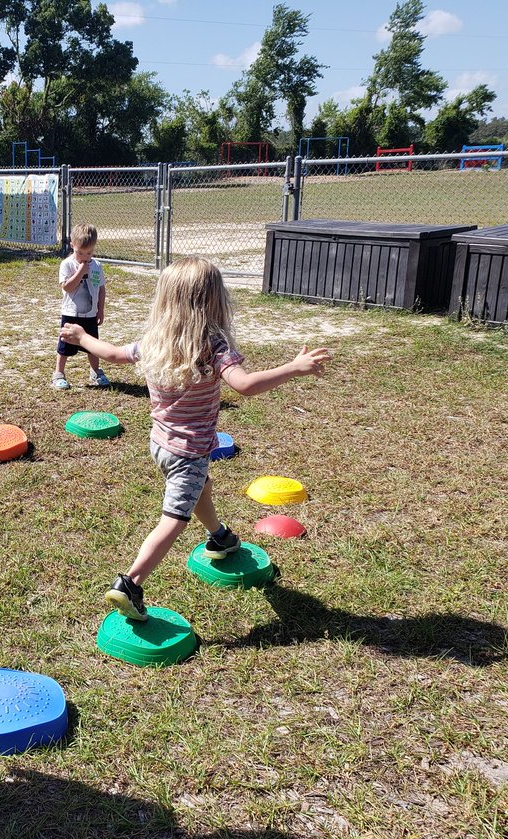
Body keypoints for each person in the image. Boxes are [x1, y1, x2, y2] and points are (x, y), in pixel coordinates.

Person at [60, 256, 331, 621]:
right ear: (214, 300)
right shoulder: (213, 347)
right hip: (188, 453)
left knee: (202, 488)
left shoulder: (154, 341)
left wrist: (82, 337)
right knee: (175, 517)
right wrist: (293, 368)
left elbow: (111, 353)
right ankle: (131, 582)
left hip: (160, 444)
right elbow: (246, 386)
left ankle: (220, 536)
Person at [53, 223, 110, 390]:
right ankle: (59, 373)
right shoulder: (67, 264)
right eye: (80, 253)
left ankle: (95, 372)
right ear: (72, 246)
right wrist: (80, 272)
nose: (85, 257)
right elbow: (67, 287)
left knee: (93, 347)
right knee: (65, 346)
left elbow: (101, 289)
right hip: (71, 313)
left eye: (89, 253)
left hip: (90, 314)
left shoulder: (97, 266)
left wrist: (100, 309)